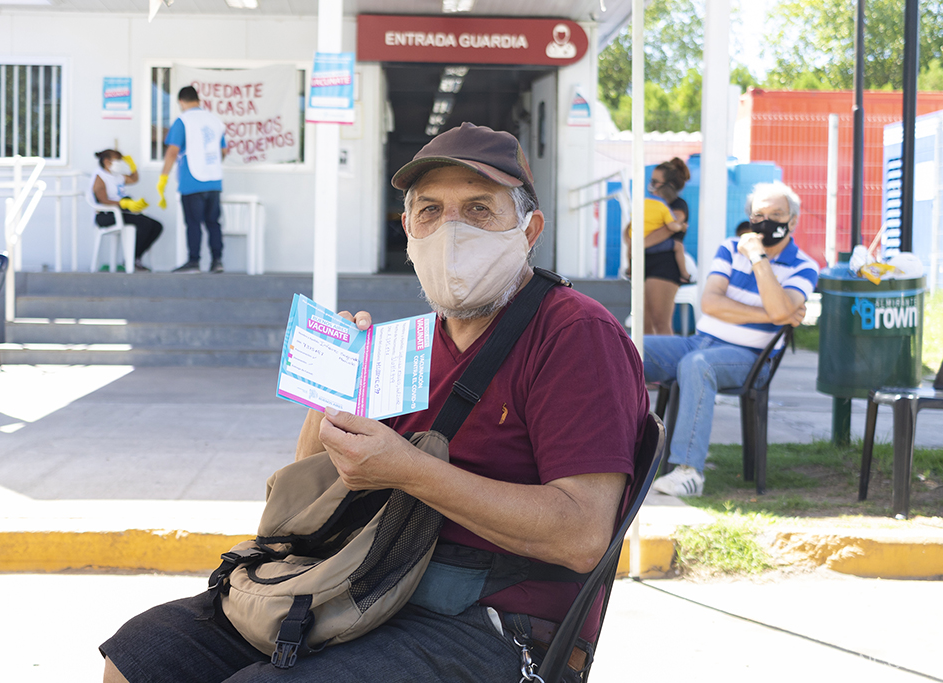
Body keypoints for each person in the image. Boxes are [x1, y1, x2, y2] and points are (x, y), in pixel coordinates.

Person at [99, 122, 650, 683]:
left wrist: (412, 471)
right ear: (408, 228)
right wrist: (330, 394)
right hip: (369, 584)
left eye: (480, 209)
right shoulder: (401, 349)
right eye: (430, 210)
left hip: (494, 623)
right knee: (144, 653)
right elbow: (306, 488)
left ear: (529, 229)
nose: (451, 230)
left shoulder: (575, 333)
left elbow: (582, 536)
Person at [645, 180, 819, 497]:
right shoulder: (728, 247)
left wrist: (757, 257)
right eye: (758, 215)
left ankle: (688, 472)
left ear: (792, 220)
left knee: (698, 366)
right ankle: (615, 455)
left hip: (751, 358)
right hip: (699, 342)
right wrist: (775, 313)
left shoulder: (804, 266)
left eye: (776, 214)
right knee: (625, 349)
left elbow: (778, 307)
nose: (765, 221)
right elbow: (711, 303)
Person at [159, 85, 228, 274]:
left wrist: (163, 177)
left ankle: (194, 262)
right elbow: (223, 150)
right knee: (213, 222)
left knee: (193, 223)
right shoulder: (215, 121)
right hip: (214, 180)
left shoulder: (183, 120)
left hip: (192, 181)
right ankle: (217, 261)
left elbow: (172, 151)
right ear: (198, 99)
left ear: (181, 101)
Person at [623, 158, 692, 335]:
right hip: (643, 265)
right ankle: (644, 363)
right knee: (643, 327)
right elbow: (628, 233)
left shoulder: (678, 206)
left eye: (655, 182)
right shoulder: (648, 205)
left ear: (668, 185)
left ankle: (667, 363)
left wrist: (636, 243)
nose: (650, 185)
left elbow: (664, 232)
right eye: (650, 181)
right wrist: (632, 239)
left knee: (660, 324)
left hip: (664, 267)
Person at [89, 150, 162, 272]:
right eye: (118, 161)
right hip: (107, 215)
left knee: (156, 226)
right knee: (145, 224)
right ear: (107, 162)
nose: (120, 163)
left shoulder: (117, 176)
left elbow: (134, 179)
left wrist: (132, 166)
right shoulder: (99, 176)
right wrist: (124, 203)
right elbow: (102, 199)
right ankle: (130, 260)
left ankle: (135, 257)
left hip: (121, 213)